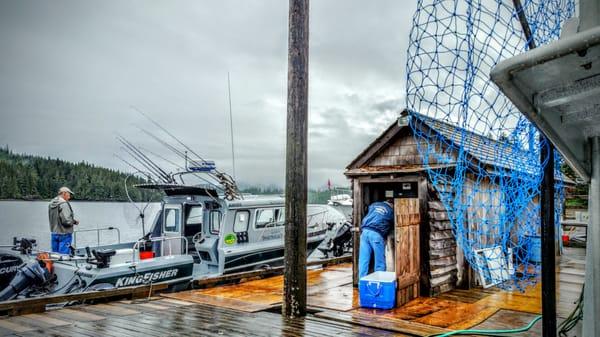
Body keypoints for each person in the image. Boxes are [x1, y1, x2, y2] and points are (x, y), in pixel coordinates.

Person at [358, 199, 394, 279]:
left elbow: (369, 212)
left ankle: (362, 283)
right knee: (379, 261)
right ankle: (379, 283)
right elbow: (394, 223)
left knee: (363, 260)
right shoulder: (391, 210)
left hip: (364, 232)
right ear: (392, 204)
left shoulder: (374, 204)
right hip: (376, 234)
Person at [48, 187, 79, 254]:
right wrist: (74, 222)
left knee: (55, 256)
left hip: (54, 233)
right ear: (64, 193)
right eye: (69, 194)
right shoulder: (63, 204)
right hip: (64, 234)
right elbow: (66, 221)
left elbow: (57, 218)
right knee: (63, 256)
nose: (69, 197)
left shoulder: (51, 203)